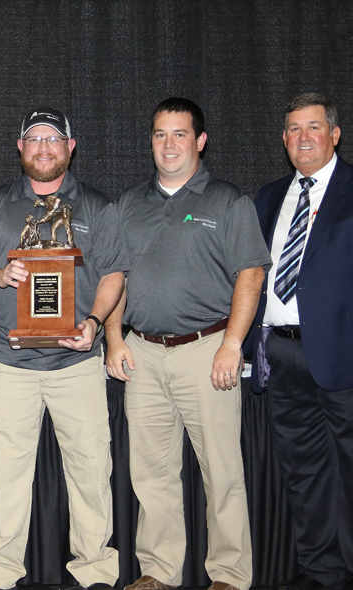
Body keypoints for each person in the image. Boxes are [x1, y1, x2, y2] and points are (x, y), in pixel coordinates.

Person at [247, 93, 353, 590]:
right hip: (281, 356)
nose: (303, 137)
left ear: (334, 134)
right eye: (294, 129)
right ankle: (321, 570)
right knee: (304, 473)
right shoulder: (268, 196)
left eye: (314, 127)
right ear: (283, 139)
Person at [105, 98, 268, 590]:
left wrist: (232, 345)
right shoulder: (128, 204)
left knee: (221, 470)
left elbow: (251, 274)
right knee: (151, 474)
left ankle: (230, 575)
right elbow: (115, 277)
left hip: (207, 349)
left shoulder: (228, 201)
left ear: (200, 141)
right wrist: (114, 339)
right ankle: (158, 571)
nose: (169, 144)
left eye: (179, 134)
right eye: (160, 134)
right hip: (143, 352)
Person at [0, 107, 126, 590]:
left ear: (70, 147)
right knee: (4, 473)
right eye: (34, 139)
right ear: (20, 147)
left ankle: (95, 571)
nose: (44, 147)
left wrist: (95, 323)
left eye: (53, 139)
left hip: (77, 362)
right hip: (11, 365)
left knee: (91, 470)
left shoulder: (98, 206)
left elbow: (114, 274)